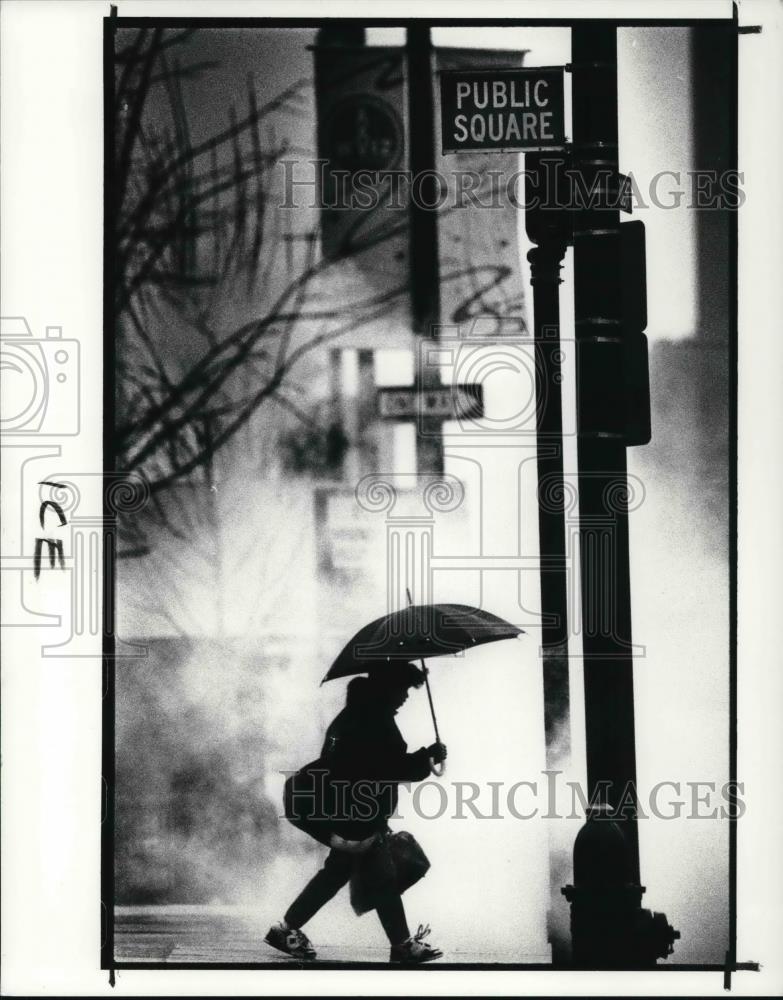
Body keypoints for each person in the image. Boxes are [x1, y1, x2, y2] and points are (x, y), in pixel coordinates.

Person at [266, 663, 448, 964]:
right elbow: (388, 768)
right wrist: (426, 757)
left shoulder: (355, 715)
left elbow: (372, 766)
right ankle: (402, 945)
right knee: (382, 876)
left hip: (349, 812)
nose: (405, 697)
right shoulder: (374, 720)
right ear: (387, 688)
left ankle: (285, 929)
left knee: (341, 874)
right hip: (357, 816)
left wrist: (423, 758)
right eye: (402, 689)